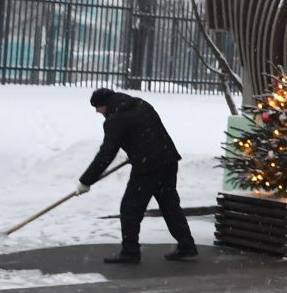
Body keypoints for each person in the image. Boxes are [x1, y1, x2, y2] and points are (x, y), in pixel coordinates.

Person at [76, 88, 198, 264]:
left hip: (148, 167)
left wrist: (86, 181)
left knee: (130, 209)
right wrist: (136, 150)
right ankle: (187, 245)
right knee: (170, 205)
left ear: (105, 104)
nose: (97, 111)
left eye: (97, 107)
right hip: (168, 160)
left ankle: (130, 252)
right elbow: (149, 132)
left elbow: (107, 153)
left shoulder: (115, 119)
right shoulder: (141, 104)